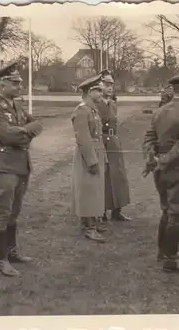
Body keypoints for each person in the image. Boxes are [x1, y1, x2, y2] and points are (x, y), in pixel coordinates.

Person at [0, 62, 43, 277]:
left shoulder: (15, 105)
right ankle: (1, 261)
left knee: (14, 212)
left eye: (20, 82)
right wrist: (25, 132)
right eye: (15, 83)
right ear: (1, 84)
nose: (20, 87)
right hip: (2, 166)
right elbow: (8, 135)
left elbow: (38, 124)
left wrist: (24, 131)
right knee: (3, 213)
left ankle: (11, 252)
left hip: (19, 164)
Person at [142, 69, 179, 272]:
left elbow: (148, 138)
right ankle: (171, 259)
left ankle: (163, 251)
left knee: (167, 210)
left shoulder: (160, 110)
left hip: (160, 169)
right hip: (178, 168)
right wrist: (165, 160)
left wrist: (152, 159)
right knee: (176, 213)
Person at [71, 75, 108, 243]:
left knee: (95, 189)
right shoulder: (81, 110)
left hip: (96, 152)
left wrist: (103, 157)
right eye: (98, 90)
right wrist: (92, 161)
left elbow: (98, 137)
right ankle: (88, 227)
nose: (102, 93)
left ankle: (92, 221)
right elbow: (84, 138)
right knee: (87, 190)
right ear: (89, 92)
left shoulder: (92, 110)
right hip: (87, 155)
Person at [96, 69, 131, 231]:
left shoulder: (113, 104)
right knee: (104, 176)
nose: (110, 87)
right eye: (106, 84)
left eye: (112, 84)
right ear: (99, 85)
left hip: (114, 142)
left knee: (118, 176)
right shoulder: (96, 105)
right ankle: (101, 211)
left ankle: (117, 210)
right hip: (102, 141)